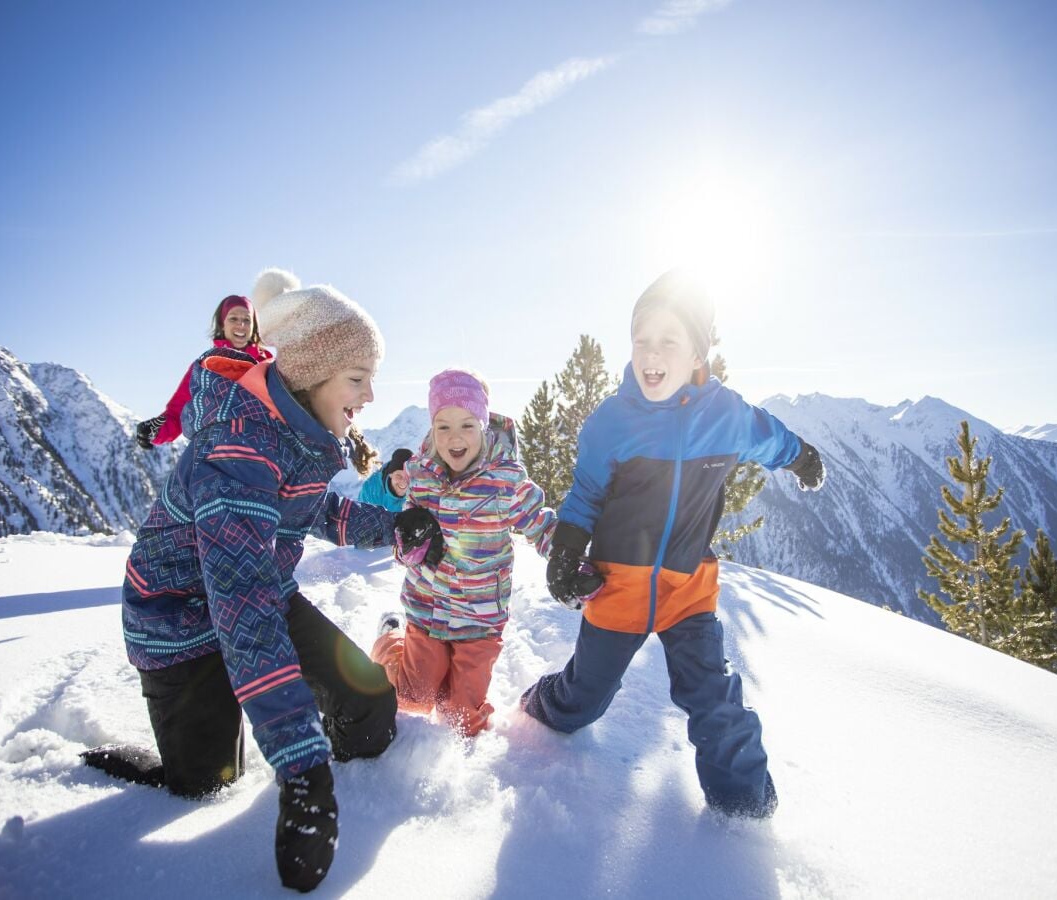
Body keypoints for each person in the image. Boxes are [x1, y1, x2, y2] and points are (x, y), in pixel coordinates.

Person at [83, 267, 444, 893]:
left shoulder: (299, 433)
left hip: (258, 592)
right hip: (180, 619)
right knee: (209, 780)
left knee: (370, 713)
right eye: (358, 380)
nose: (370, 397)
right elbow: (244, 613)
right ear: (310, 374)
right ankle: (178, 751)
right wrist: (302, 769)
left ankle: (286, 715)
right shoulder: (238, 449)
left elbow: (316, 509)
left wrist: (391, 531)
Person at [519, 269, 826, 820]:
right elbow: (586, 493)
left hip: (689, 587)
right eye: (642, 341)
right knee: (585, 698)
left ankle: (746, 818)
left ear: (697, 356)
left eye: (669, 341)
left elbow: (769, 437)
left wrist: (800, 456)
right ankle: (541, 705)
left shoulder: (726, 415)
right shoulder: (612, 422)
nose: (652, 354)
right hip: (618, 587)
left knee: (715, 701)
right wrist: (566, 550)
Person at [372, 370, 556, 737]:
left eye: (467, 425)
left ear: (484, 426)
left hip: (479, 620)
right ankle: (390, 640)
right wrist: (408, 543)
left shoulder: (505, 480)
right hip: (428, 609)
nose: (454, 437)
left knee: (462, 720)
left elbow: (542, 523)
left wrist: (569, 557)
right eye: (443, 426)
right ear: (432, 428)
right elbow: (404, 541)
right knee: (412, 699)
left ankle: (451, 687)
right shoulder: (420, 477)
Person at [135, 294, 273, 448]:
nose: (241, 325)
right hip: (217, 448)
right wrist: (156, 431)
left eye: (247, 320)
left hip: (261, 447)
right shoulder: (205, 367)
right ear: (222, 324)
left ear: (254, 326)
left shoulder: (267, 364)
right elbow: (178, 412)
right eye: (233, 319)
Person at [358, 447, 413, 512]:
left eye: (408, 476)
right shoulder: (371, 489)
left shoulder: (421, 491)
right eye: (399, 476)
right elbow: (361, 515)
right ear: (391, 474)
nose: (404, 481)